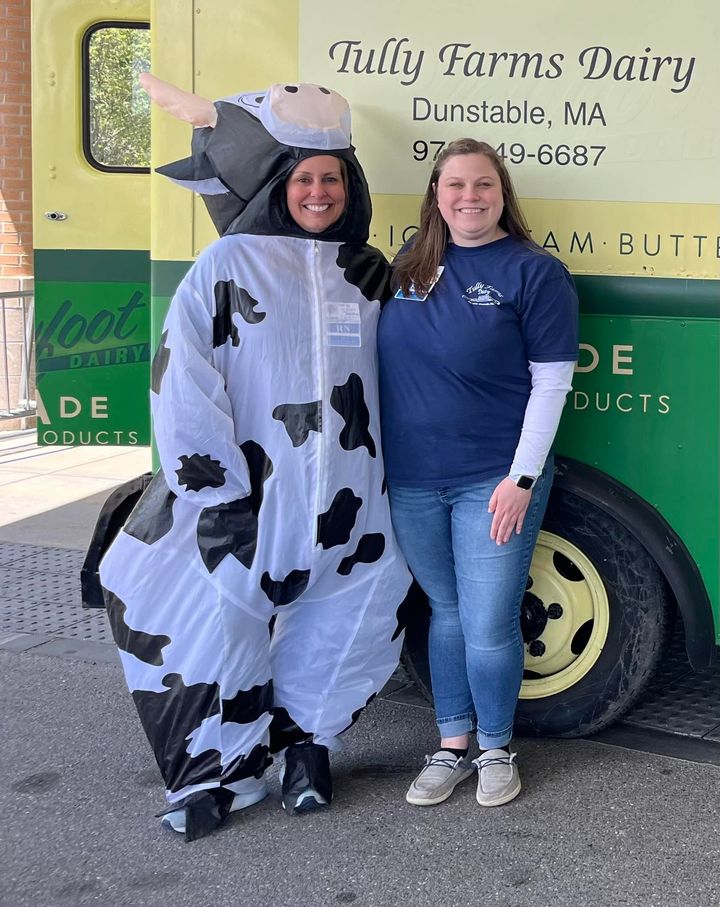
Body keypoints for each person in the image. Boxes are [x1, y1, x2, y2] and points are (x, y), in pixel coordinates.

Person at [98, 79, 411, 841]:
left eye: (331, 177)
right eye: (303, 177)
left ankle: (309, 747)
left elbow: (404, 377)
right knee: (215, 627)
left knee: (354, 623)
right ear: (280, 183)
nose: (318, 192)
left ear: (349, 184)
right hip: (248, 502)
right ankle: (215, 773)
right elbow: (185, 383)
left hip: (354, 504)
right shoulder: (224, 266)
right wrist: (214, 494)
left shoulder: (367, 270)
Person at [378, 138, 578, 809]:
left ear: (503, 194)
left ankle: (496, 746)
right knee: (448, 612)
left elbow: (550, 385)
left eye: (483, 185)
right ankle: (452, 745)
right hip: (412, 480)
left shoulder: (534, 272)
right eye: (456, 185)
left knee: (490, 621)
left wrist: (522, 478)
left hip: (493, 479)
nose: (470, 197)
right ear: (436, 194)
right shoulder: (409, 268)